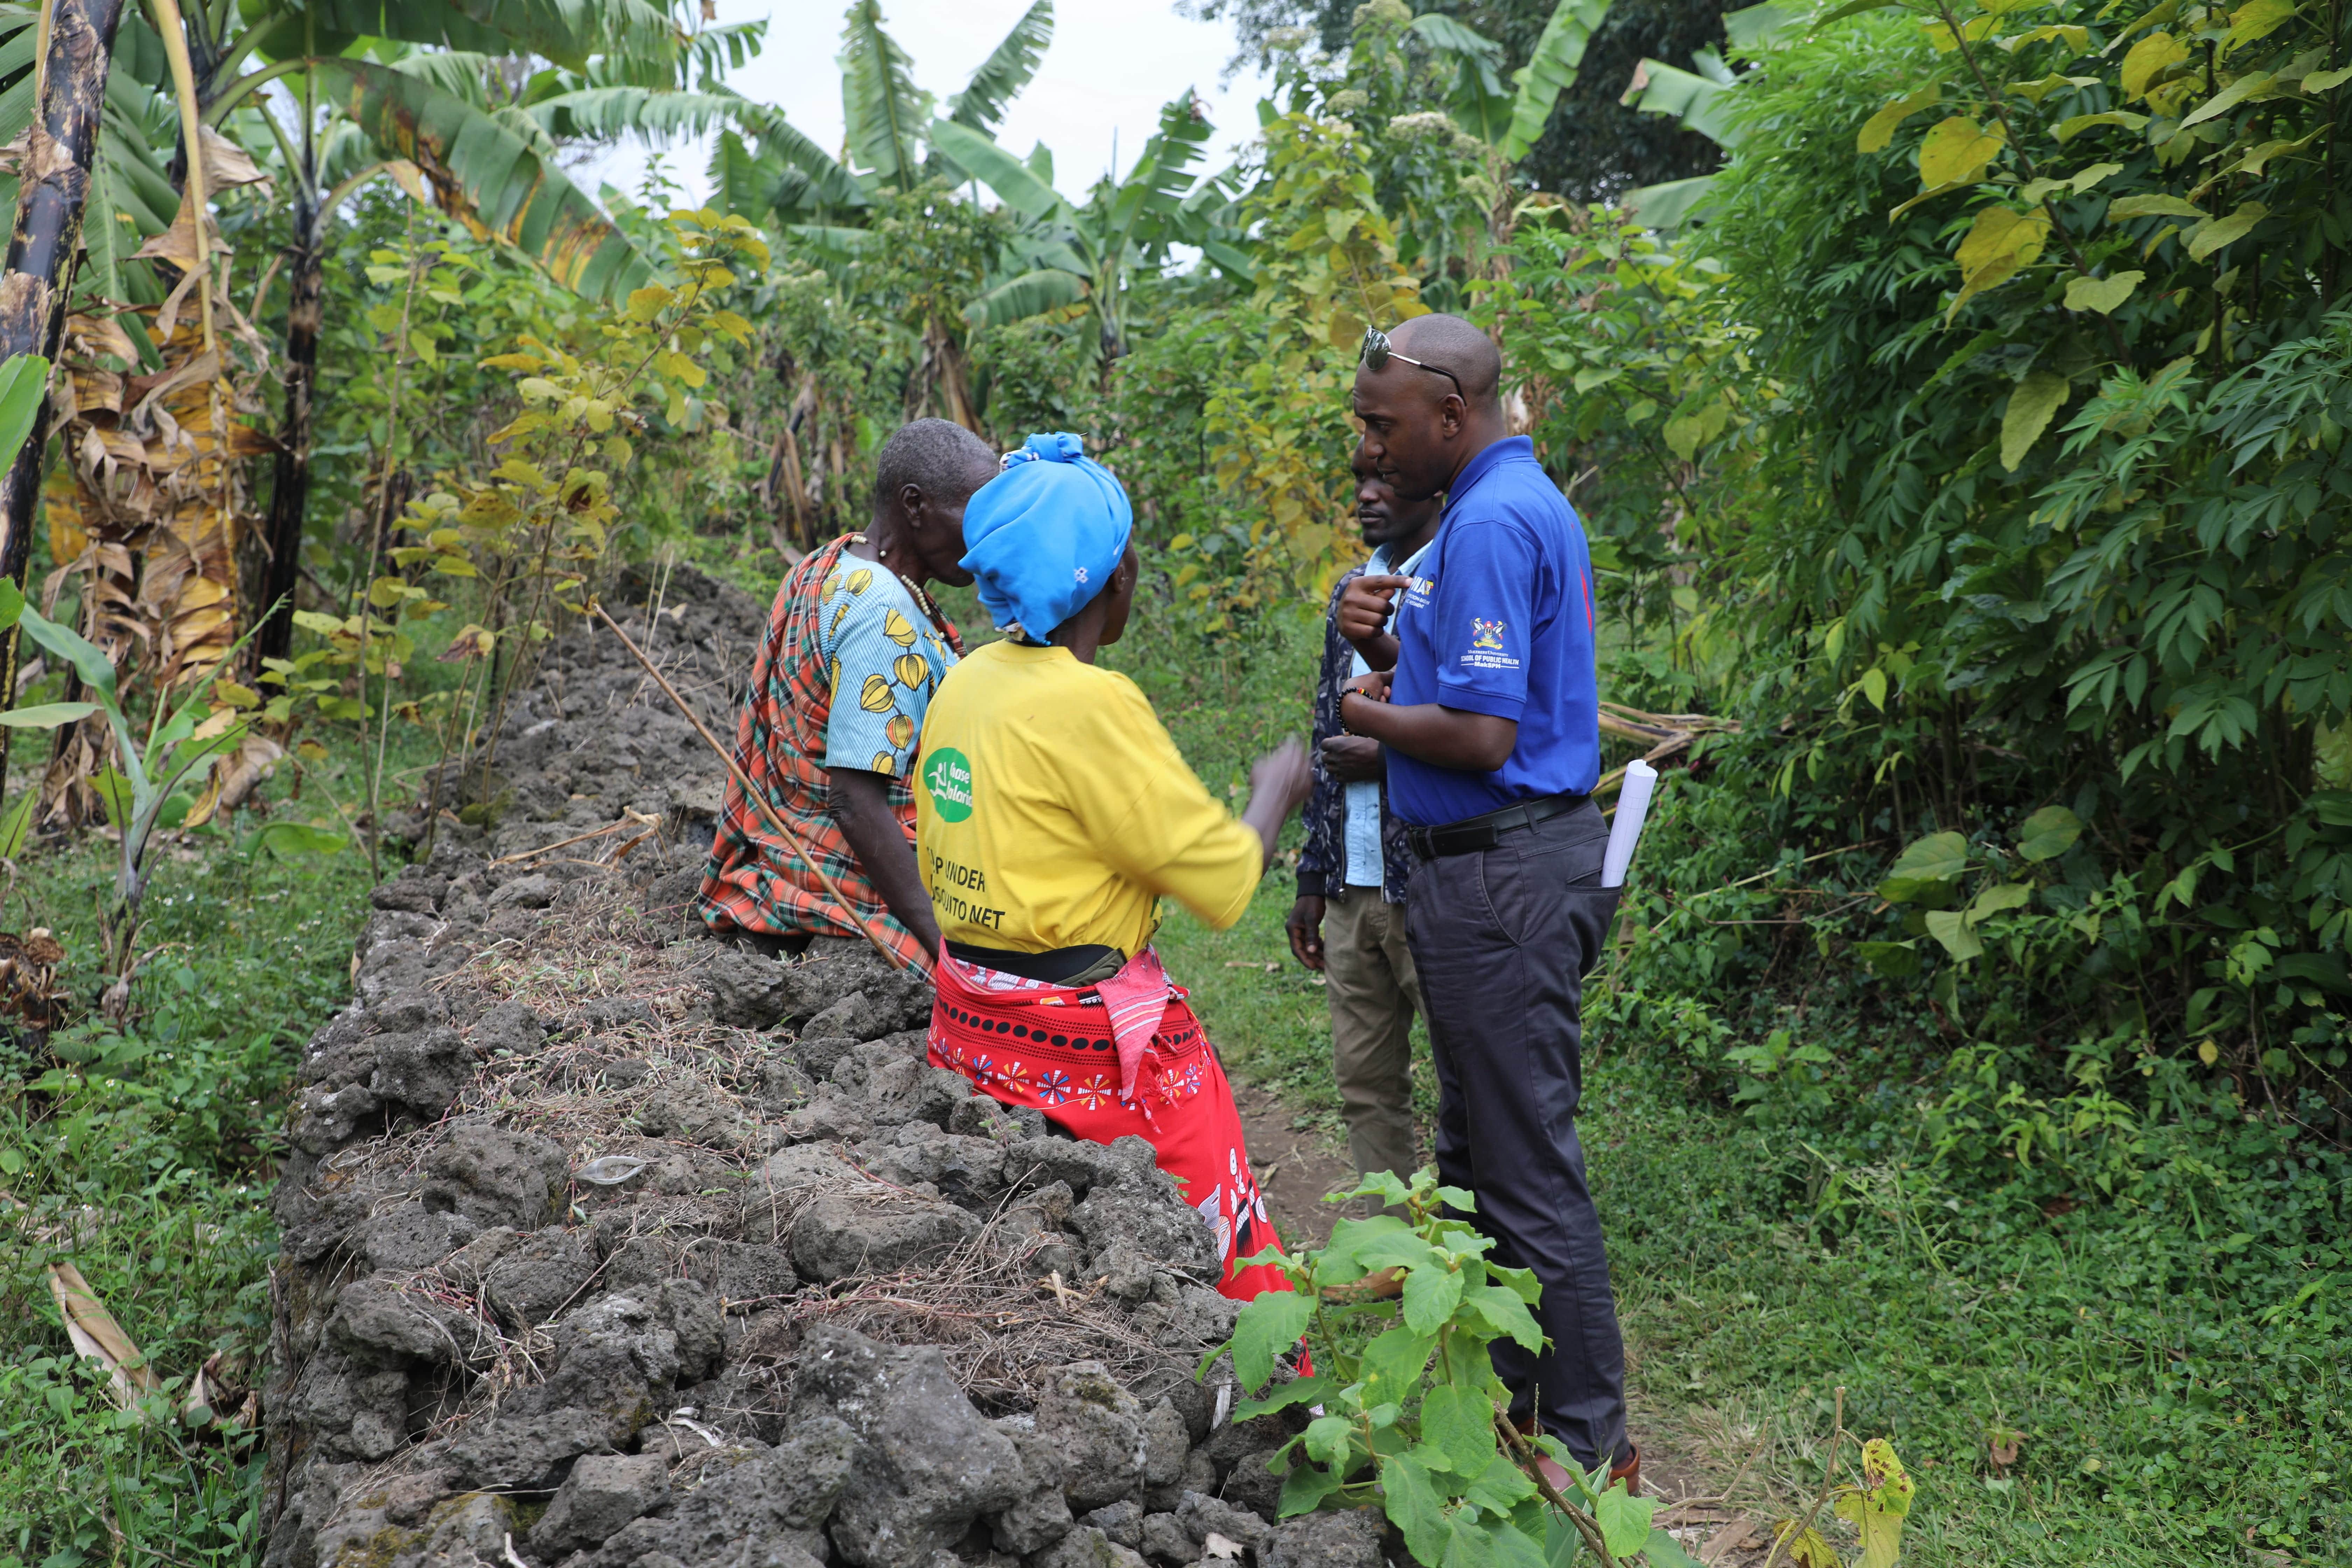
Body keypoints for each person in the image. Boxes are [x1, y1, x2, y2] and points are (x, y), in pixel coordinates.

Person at [1334, 315, 1638, 1491]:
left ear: (1451, 413)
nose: (1370, 448)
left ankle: (1585, 1446)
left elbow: (1481, 733)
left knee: (1523, 1166)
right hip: (1481, 869)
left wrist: (1363, 714)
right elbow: (1464, 686)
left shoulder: (1499, 520)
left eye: (1382, 424)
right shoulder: (1486, 514)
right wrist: (1388, 645)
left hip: (1503, 873)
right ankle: (1507, 1405)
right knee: (1477, 1149)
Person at [912, 432, 1315, 1302]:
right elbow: (1223, 882)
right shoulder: (1093, 705)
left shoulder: (965, 681)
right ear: (1114, 579)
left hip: (970, 1024)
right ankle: (1289, 1398)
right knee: (1225, 1223)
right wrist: (1274, 794)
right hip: (1084, 1043)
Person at [696, 419, 997, 967]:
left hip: (791, 847)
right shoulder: (882, 614)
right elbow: (854, 802)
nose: (988, 533)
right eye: (977, 513)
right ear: (915, 506)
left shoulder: (830, 563)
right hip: (848, 874)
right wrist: (947, 947)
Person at [1286, 460, 1442, 1196]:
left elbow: (1471, 724)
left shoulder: (1451, 582)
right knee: (1366, 1080)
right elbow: (1327, 725)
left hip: (1430, 879)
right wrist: (1313, 876)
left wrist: (1387, 750)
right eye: (1361, 482)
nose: (1369, 495)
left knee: (1465, 1079)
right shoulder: (1351, 590)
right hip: (1354, 880)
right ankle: (1389, 1248)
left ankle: (1471, 1246)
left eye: (1389, 478)